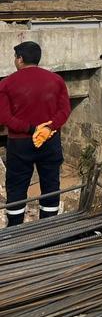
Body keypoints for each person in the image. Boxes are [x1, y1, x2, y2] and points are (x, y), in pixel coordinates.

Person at [0, 42, 71, 225]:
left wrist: (31, 129)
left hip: (19, 144)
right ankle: (48, 227)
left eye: (16, 57)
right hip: (49, 140)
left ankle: (15, 230)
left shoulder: (6, 83)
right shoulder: (56, 81)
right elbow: (64, 111)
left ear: (20, 59)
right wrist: (48, 128)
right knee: (50, 184)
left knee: (17, 187)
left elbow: (4, 117)